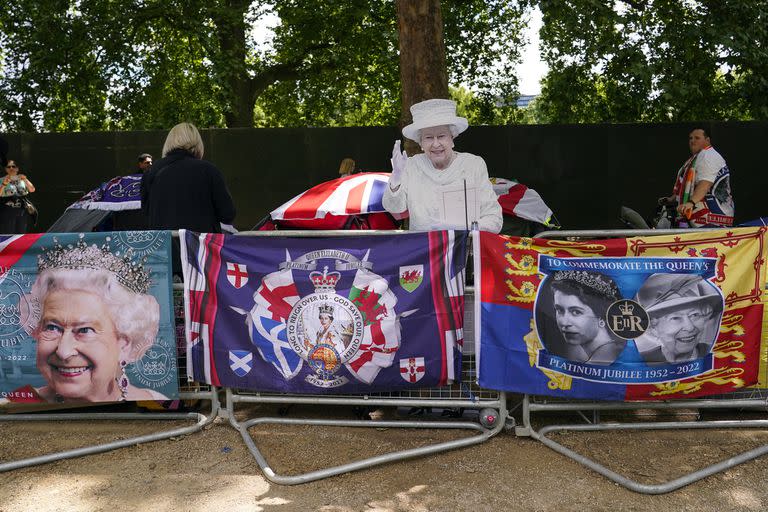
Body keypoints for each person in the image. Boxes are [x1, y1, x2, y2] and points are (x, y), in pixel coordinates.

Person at [22, 237, 169, 403]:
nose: (64, 351)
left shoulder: (158, 407)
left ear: (125, 344)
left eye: (85, 330)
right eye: (52, 328)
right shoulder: (14, 408)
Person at [382, 99, 502, 233]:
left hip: (465, 249)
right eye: (428, 137)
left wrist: (462, 228)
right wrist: (396, 178)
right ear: (420, 142)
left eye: (441, 136)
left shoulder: (473, 164)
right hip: (423, 250)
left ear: (452, 138)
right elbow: (394, 208)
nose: (435, 144)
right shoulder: (411, 165)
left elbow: (494, 220)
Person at [141, 122, 236, 233]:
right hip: (199, 246)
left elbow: (147, 213)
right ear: (197, 143)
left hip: (164, 246)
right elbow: (227, 214)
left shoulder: (150, 173)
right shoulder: (208, 170)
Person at [634, 274, 722, 364]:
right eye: (675, 318)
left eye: (694, 315)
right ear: (653, 328)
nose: (690, 327)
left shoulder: (718, 354)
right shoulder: (640, 361)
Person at [660, 127, 734, 228]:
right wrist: (671, 199)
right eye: (690, 138)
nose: (692, 141)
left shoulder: (708, 155)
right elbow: (686, 186)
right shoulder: (696, 157)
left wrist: (691, 202)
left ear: (707, 140)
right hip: (701, 217)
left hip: (712, 217)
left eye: (697, 138)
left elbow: (705, 183)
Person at [547, 270, 625, 365]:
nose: (564, 322)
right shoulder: (609, 353)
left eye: (576, 312)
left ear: (602, 317)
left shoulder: (602, 362)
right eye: (559, 310)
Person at [0, 159, 36, 234]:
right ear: (6, 169)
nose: (11, 168)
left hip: (22, 210)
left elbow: (32, 189)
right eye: (8, 167)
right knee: (8, 233)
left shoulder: (22, 179)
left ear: (17, 168)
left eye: (13, 166)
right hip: (7, 211)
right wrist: (4, 184)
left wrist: (25, 179)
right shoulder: (1, 180)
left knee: (21, 233)